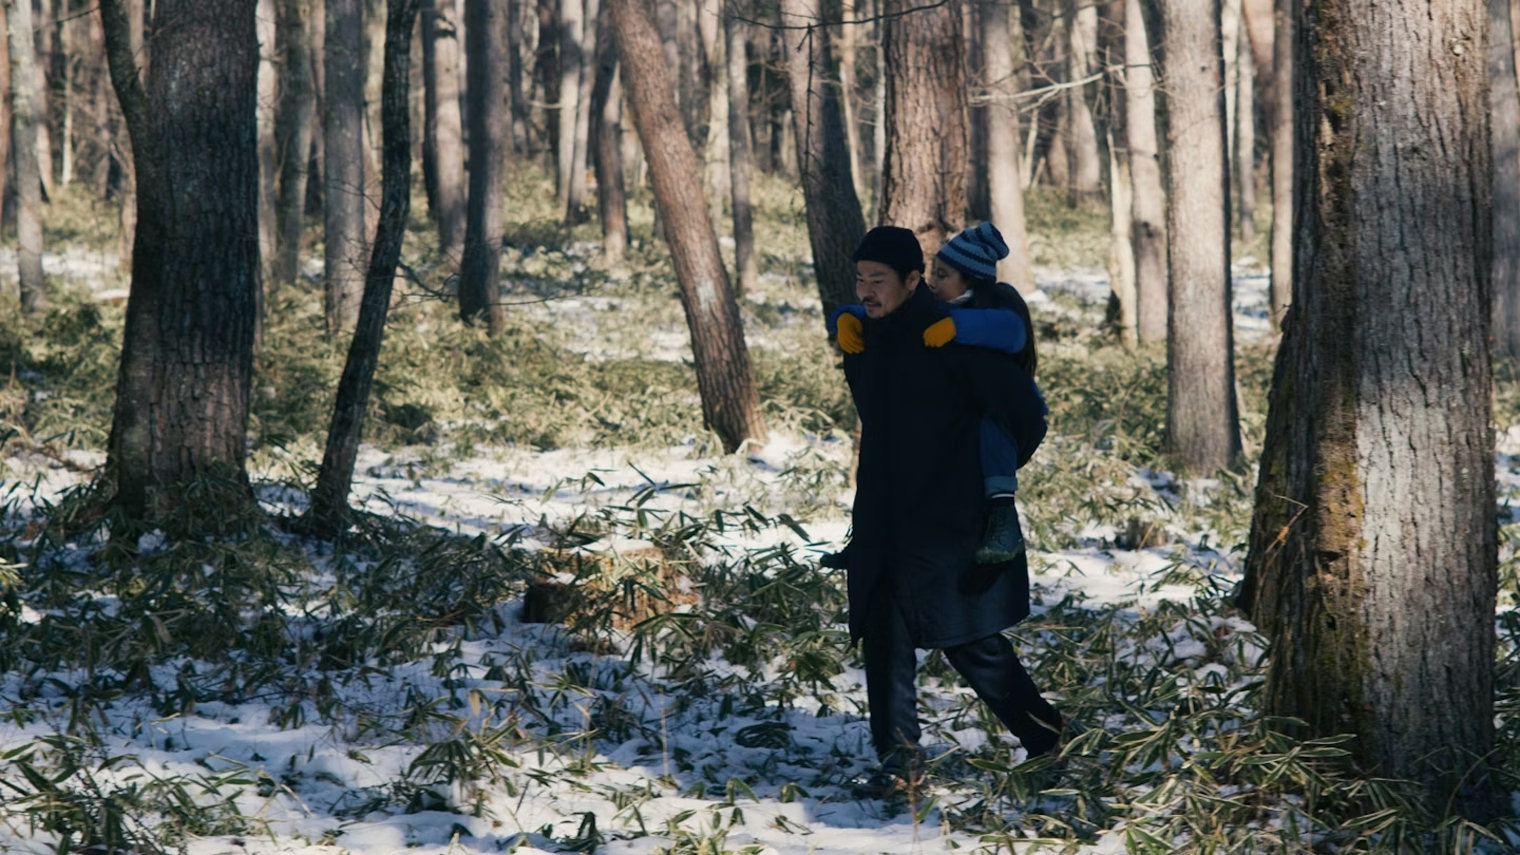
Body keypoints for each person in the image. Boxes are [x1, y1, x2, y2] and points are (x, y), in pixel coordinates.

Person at [833, 225, 1062, 798]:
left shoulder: (953, 340)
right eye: (860, 280)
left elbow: (1026, 414)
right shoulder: (865, 338)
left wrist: (985, 481)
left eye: (878, 280)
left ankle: (1049, 738)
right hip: (885, 517)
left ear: (914, 281)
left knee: (970, 641)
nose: (866, 291)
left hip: (947, 522)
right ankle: (900, 768)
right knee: (884, 639)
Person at [826, 222, 1040, 564]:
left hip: (991, 428)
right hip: (901, 497)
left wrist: (959, 326)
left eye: (943, 275)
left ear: (971, 281)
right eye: (860, 280)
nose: (934, 282)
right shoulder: (926, 314)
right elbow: (871, 312)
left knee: (992, 437)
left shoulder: (990, 315)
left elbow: (1012, 333)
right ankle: (866, 539)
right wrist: (842, 318)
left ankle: (1003, 516)